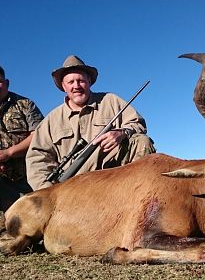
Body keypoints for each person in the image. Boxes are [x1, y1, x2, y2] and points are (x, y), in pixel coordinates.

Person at [26, 55, 156, 191]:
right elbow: (37, 159)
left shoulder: (110, 101)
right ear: (64, 86)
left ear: (89, 81)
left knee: (141, 141)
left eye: (81, 81)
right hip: (71, 187)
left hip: (114, 176)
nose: (76, 86)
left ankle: (139, 195)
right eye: (71, 82)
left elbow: (137, 123)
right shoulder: (51, 120)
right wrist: (49, 191)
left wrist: (122, 132)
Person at [0, 65, 44, 212]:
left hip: (26, 179)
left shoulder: (25, 105)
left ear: (6, 83)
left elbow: (39, 136)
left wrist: (9, 153)